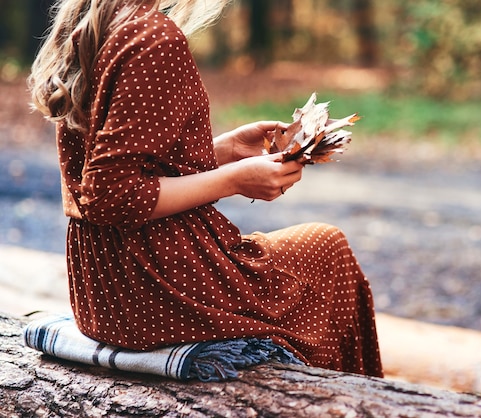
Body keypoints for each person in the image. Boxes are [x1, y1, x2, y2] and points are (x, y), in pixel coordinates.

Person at [28, 0, 383, 377]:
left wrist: (224, 151)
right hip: (155, 290)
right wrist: (234, 181)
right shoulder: (154, 38)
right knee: (328, 248)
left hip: (101, 293)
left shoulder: (92, 25)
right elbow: (113, 197)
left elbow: (119, 168)